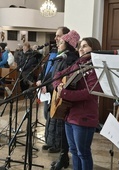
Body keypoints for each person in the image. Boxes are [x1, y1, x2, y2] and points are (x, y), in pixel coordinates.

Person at [52, 37, 102, 170]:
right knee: (73, 151)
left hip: (84, 117)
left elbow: (89, 93)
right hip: (70, 114)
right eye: (80, 46)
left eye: (85, 46)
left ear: (94, 48)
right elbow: (58, 75)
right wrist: (58, 87)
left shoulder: (97, 68)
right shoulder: (78, 64)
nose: (80, 49)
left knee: (83, 153)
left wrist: (64, 94)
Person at [36, 27, 79, 156]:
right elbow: (52, 74)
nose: (58, 43)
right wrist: (43, 84)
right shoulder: (59, 57)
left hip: (60, 94)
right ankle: (51, 142)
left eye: (61, 41)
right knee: (50, 119)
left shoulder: (69, 59)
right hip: (52, 91)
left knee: (58, 122)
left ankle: (58, 145)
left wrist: (49, 87)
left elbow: (63, 79)